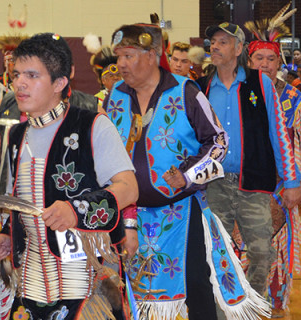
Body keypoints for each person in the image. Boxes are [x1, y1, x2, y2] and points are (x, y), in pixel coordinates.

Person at [0, 33, 139, 320]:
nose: (19, 83)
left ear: (60, 82)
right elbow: (24, 204)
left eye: (32, 75)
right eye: (17, 74)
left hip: (87, 282)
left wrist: (77, 210)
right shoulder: (16, 136)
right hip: (32, 282)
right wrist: (7, 238)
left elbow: (128, 188)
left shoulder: (92, 124)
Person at [104, 23, 267, 320]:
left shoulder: (185, 91)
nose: (121, 64)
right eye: (119, 56)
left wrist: (189, 175)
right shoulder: (116, 94)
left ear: (152, 55)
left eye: (128, 55)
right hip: (127, 214)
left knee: (197, 287)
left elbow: (218, 142)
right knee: (122, 289)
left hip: (181, 213)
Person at [196, 21, 301, 295]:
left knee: (261, 251)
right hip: (213, 186)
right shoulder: (201, 88)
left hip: (253, 185)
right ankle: (223, 308)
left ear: (239, 48)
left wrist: (291, 182)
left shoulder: (260, 83)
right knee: (215, 251)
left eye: (223, 41)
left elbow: (279, 134)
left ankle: (253, 304)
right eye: (213, 42)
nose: (215, 47)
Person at [244, 11, 301, 316]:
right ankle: (244, 299)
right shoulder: (237, 94)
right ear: (249, 63)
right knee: (243, 249)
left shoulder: (296, 99)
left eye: (270, 59)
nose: (264, 64)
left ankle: (273, 301)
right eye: (258, 58)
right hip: (242, 187)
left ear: (279, 63)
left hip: (281, 188)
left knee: (279, 249)